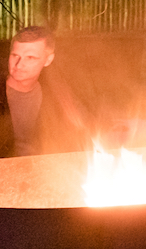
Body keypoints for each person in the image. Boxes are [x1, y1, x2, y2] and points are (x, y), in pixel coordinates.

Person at [0, 25, 85, 156]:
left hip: (43, 170)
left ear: (48, 60)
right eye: (15, 55)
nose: (19, 64)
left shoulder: (56, 96)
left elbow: (86, 126)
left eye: (30, 58)